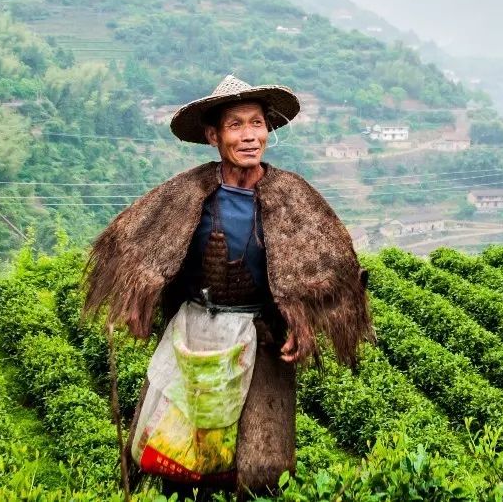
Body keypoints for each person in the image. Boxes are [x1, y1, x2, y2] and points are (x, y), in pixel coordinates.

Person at [84, 75, 372, 498]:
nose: (250, 136)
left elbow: (334, 270)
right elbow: (134, 248)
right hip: (196, 333)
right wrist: (136, 302)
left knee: (262, 464)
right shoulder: (185, 194)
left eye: (256, 123)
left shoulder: (295, 196)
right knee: (180, 451)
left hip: (262, 338)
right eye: (236, 125)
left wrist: (302, 325)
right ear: (213, 135)